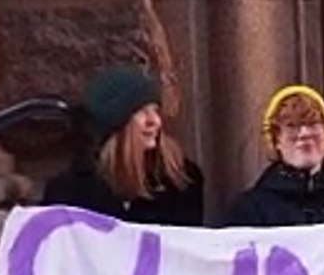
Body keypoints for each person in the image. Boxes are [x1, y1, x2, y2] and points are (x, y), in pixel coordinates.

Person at [42, 64, 204, 226]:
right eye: (141, 112)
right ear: (116, 125)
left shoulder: (181, 183)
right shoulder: (70, 193)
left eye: (155, 110)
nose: (154, 121)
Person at [225, 84, 324, 230]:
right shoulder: (250, 211)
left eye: (313, 123)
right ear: (276, 140)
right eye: (291, 125)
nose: (304, 134)